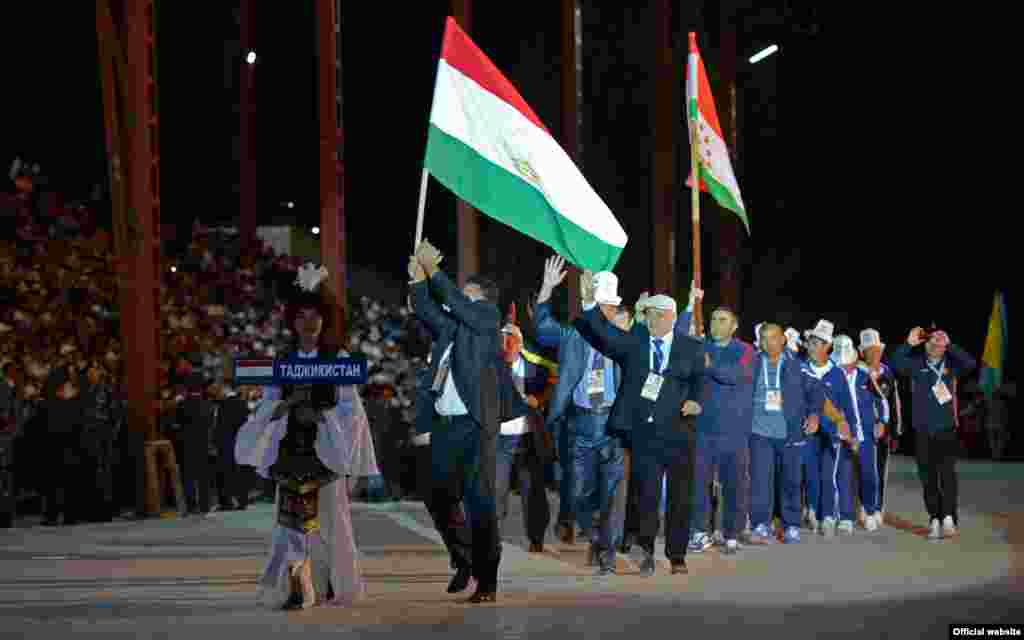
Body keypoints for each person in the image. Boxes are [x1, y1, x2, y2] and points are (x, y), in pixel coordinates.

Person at [235, 262, 378, 610]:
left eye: (315, 316)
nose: (309, 323)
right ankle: (295, 584)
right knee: (289, 523)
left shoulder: (337, 358)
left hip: (326, 451)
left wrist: (321, 414)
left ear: (325, 320)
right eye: (302, 317)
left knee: (330, 522)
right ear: (293, 321)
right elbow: (269, 404)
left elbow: (352, 410)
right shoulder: (283, 360)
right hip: (291, 450)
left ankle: (329, 584)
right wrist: (285, 407)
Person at [409, 239, 526, 603]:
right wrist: (418, 280)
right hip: (446, 425)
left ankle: (487, 581)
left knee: (480, 503)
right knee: (437, 495)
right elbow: (426, 308)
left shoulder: (488, 318)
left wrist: (434, 270)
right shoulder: (453, 328)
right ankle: (464, 559)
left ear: (482, 300)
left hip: (476, 424)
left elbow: (459, 305)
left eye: (467, 295)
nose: (459, 299)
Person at [573, 269, 704, 576]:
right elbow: (604, 334)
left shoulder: (691, 347)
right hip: (644, 432)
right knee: (646, 494)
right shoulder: (635, 341)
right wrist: (590, 303)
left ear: (670, 316)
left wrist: (696, 400)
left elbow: (700, 380)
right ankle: (646, 551)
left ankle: (677, 555)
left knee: (680, 496)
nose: (650, 320)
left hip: (679, 431)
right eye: (647, 314)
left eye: (655, 315)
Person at [534, 257, 627, 574]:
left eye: (609, 307)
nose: (606, 312)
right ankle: (595, 535)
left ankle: (606, 553)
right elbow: (542, 330)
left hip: (613, 424)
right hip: (580, 422)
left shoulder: (624, 338)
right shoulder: (573, 335)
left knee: (610, 493)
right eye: (601, 307)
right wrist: (547, 288)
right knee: (577, 492)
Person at [888, 328, 977, 540]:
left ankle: (948, 517)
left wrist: (950, 344)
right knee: (927, 477)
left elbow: (970, 364)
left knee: (947, 475)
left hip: (946, 428)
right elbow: (894, 364)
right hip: (922, 430)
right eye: (930, 342)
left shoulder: (951, 365)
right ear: (924, 346)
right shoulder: (916, 364)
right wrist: (909, 343)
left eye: (939, 342)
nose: (935, 345)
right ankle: (934, 518)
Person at [747, 324, 823, 545]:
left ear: (783, 340)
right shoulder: (751, 363)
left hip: (789, 433)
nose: (768, 343)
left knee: (790, 481)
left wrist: (814, 415)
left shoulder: (797, 366)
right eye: (763, 338)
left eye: (773, 337)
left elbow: (816, 391)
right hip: (758, 432)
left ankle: (791, 525)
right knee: (760, 481)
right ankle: (760, 523)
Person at [689, 307, 755, 555]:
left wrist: (710, 365)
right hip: (703, 429)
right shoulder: (700, 346)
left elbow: (736, 374)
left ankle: (732, 534)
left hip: (734, 430)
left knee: (734, 483)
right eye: (713, 319)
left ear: (734, 326)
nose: (716, 324)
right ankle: (699, 531)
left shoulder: (745, 351)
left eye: (722, 320)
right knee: (698, 483)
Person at [495, 312, 555, 553]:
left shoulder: (536, 368)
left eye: (511, 341)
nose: (506, 346)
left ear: (520, 344)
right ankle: (493, 537)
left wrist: (539, 400)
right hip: (499, 437)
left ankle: (536, 538)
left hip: (528, 436)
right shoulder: (491, 368)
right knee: (495, 487)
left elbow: (553, 385)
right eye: (502, 341)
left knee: (533, 489)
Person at [816, 335, 885, 537]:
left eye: (849, 364)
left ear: (855, 359)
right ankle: (842, 517)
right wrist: (838, 432)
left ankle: (870, 510)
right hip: (841, 435)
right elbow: (825, 409)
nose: (846, 368)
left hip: (866, 435)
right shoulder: (829, 378)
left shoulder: (865, 377)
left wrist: (882, 421)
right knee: (840, 476)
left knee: (869, 475)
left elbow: (881, 401)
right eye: (842, 365)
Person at [858, 329, 901, 521]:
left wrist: (895, 431)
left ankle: (877, 507)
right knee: (862, 470)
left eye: (876, 350)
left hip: (883, 431)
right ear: (862, 353)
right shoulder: (857, 372)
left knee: (880, 469)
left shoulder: (888, 373)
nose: (873, 354)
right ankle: (862, 505)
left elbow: (894, 403)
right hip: (862, 430)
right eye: (869, 351)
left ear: (881, 351)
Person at [799, 319, 834, 531]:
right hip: (808, 429)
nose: (810, 347)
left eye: (816, 343)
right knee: (810, 470)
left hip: (831, 431)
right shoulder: (800, 369)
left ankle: (828, 513)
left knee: (829, 472)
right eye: (809, 343)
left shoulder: (837, 371)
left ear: (827, 346)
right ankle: (812, 509)